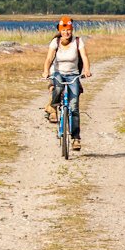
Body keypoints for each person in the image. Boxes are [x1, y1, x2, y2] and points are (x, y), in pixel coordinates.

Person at [42, 16, 92, 150]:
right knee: (57, 89)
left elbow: (84, 57)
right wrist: (46, 71)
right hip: (58, 73)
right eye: (64, 30)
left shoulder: (78, 41)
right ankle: (52, 107)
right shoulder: (55, 42)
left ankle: (76, 138)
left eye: (69, 30)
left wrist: (87, 70)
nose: (66, 33)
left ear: (72, 30)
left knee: (74, 106)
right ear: (60, 30)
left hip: (73, 75)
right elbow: (48, 58)